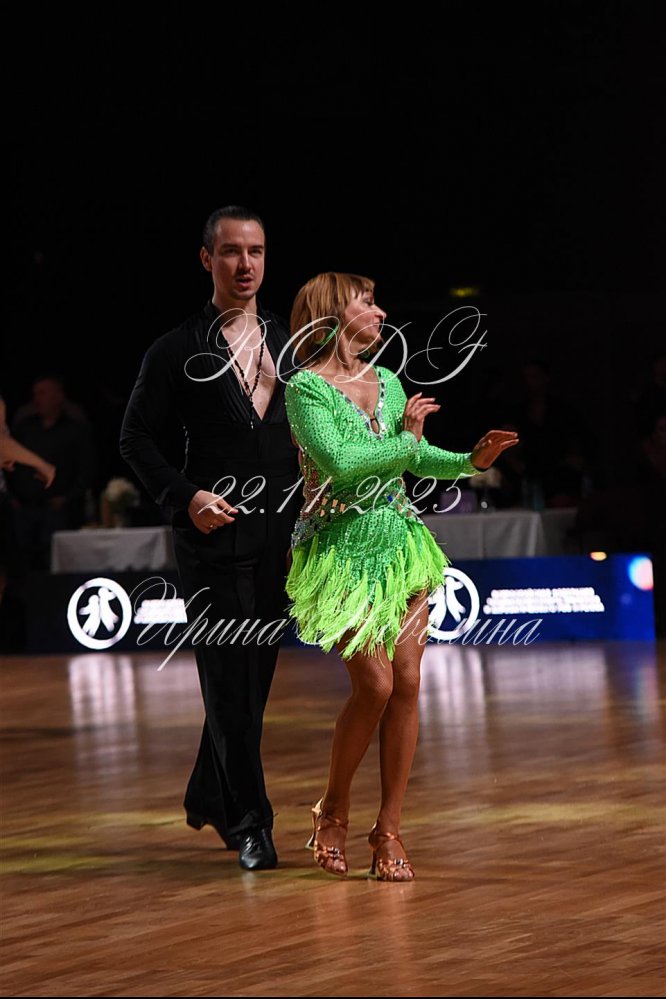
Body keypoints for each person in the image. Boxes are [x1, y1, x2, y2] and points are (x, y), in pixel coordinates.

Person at [284, 272, 518, 881]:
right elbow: (342, 464)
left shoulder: (387, 380)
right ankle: (332, 809)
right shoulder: (305, 389)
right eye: (367, 303)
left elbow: (413, 458)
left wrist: (468, 460)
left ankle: (388, 829)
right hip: (339, 554)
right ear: (332, 313)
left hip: (400, 546)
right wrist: (410, 440)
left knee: (408, 682)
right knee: (376, 684)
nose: (382, 312)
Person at [119, 206, 302, 871]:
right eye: (230, 251)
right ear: (207, 259)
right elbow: (134, 438)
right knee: (227, 679)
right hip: (211, 537)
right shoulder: (174, 349)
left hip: (279, 537)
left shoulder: (290, 342)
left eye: (256, 251)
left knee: (251, 683)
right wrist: (186, 495)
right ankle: (252, 822)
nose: (245, 263)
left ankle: (208, 793)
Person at [8, 376, 94, 570]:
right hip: (24, 509)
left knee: (54, 561)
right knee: (22, 562)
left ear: (58, 396)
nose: (37, 399)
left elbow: (85, 470)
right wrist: (12, 497)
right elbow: (9, 461)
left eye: (42, 393)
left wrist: (67, 498)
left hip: (57, 511)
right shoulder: (25, 428)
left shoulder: (74, 431)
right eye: (35, 394)